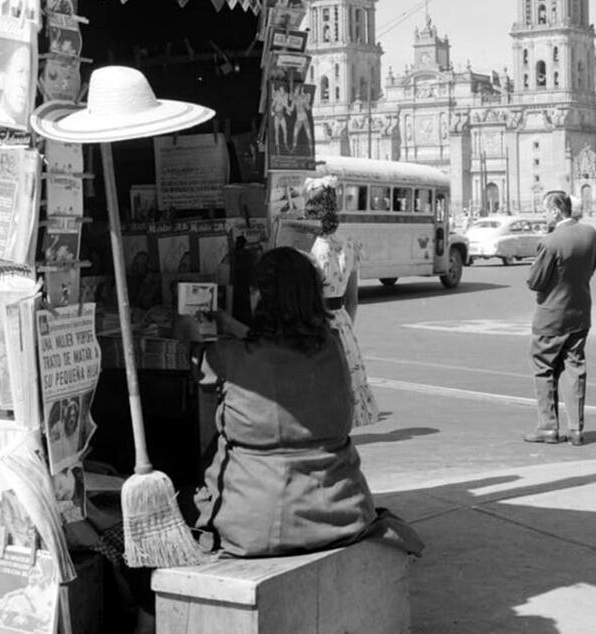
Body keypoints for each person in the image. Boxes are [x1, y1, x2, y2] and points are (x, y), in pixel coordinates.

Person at [178, 247, 421, 557]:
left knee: (183, 497)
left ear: (258, 298)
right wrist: (233, 327)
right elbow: (280, 350)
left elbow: (207, 364)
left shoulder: (227, 358)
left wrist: (188, 334)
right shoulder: (333, 347)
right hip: (343, 514)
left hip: (256, 525)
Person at [523, 190, 596, 446]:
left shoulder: (550, 242)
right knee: (575, 368)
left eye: (546, 210)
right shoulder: (590, 234)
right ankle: (576, 429)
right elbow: (592, 267)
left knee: (544, 369)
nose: (545, 215)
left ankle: (548, 427)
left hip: (551, 315)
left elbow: (536, 282)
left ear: (556, 210)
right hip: (580, 311)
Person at [304, 177, 380, 427]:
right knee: (345, 379)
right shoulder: (349, 245)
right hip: (341, 322)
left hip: (315, 321)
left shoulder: (309, 249)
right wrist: (345, 326)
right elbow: (353, 301)